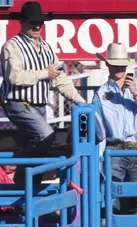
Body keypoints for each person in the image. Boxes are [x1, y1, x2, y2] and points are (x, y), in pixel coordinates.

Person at [1, 1, 85, 184]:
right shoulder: (12, 46)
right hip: (18, 103)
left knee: (36, 146)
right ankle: (24, 181)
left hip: (38, 106)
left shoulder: (46, 47)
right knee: (45, 135)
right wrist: (44, 73)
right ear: (22, 22)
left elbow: (59, 78)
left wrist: (81, 101)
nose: (37, 26)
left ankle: (27, 198)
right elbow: (14, 77)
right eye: (33, 22)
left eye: (40, 22)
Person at [94, 43, 137, 227]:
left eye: (122, 65)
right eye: (115, 65)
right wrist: (99, 158)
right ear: (108, 66)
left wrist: (136, 93)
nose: (119, 69)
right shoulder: (101, 93)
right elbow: (99, 127)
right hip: (114, 150)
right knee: (110, 199)